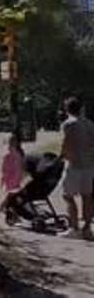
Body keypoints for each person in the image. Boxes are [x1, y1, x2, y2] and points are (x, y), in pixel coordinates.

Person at [59, 97, 94, 240]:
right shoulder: (90, 124)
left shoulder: (68, 124)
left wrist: (62, 156)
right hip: (89, 165)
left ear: (67, 109)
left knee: (67, 195)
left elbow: (67, 144)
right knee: (87, 196)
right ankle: (87, 228)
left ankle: (74, 228)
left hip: (74, 165)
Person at [0, 133, 25, 213]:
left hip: (10, 177)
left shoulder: (7, 154)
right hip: (17, 177)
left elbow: (4, 168)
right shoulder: (19, 153)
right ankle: (8, 209)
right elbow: (21, 166)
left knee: (8, 194)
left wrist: (2, 179)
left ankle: (1, 207)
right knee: (12, 195)